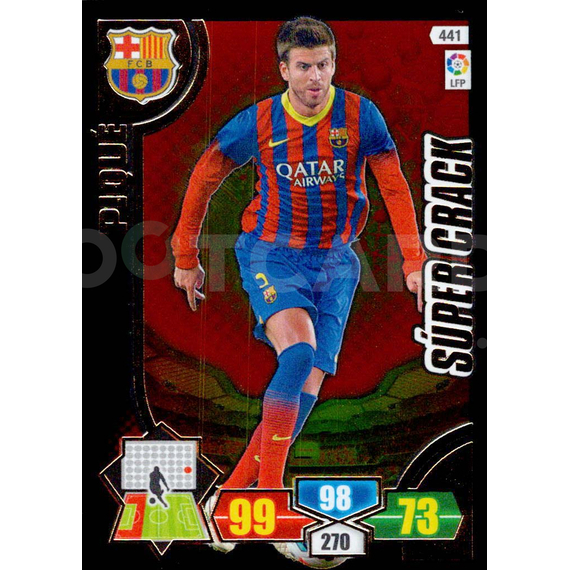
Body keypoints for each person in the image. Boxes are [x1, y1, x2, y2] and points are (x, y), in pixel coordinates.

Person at [172, 14, 425, 511]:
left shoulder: (361, 115)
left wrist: (413, 260)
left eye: (324, 65)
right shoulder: (260, 121)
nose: (316, 77)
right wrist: (185, 254)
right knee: (298, 355)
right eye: (305, 67)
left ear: (334, 64)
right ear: (284, 70)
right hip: (272, 252)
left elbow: (394, 186)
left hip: (338, 264)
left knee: (307, 385)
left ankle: (226, 500)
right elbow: (205, 175)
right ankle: (271, 495)